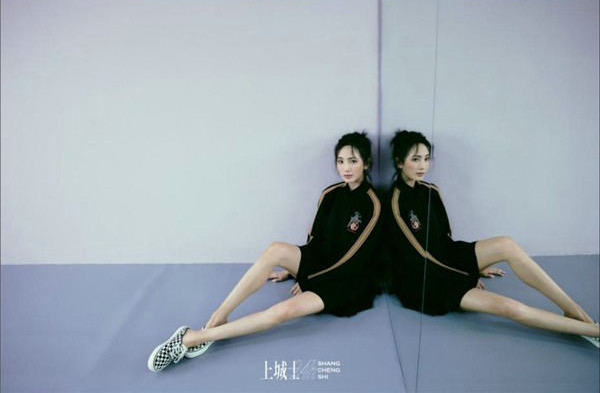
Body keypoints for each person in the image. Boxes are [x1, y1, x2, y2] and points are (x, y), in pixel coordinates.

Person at [148, 132, 382, 372]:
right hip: (320, 263)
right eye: (341, 161)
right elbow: (314, 239)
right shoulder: (330, 193)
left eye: (353, 161)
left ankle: (193, 337)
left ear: (366, 163)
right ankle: (218, 317)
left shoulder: (373, 204)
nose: (346, 168)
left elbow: (353, 261)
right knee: (275, 249)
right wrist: (295, 270)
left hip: (344, 282)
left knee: (282, 311)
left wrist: (309, 279)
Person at [385, 130, 599, 347]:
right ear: (399, 163)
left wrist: (473, 266)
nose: (422, 165)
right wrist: (466, 275)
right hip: (425, 279)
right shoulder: (395, 202)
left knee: (507, 244)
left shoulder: (431, 191)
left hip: (447, 258)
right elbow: (418, 256)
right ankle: (594, 330)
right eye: (415, 159)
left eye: (426, 158)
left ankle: (575, 311)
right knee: (511, 308)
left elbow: (445, 237)